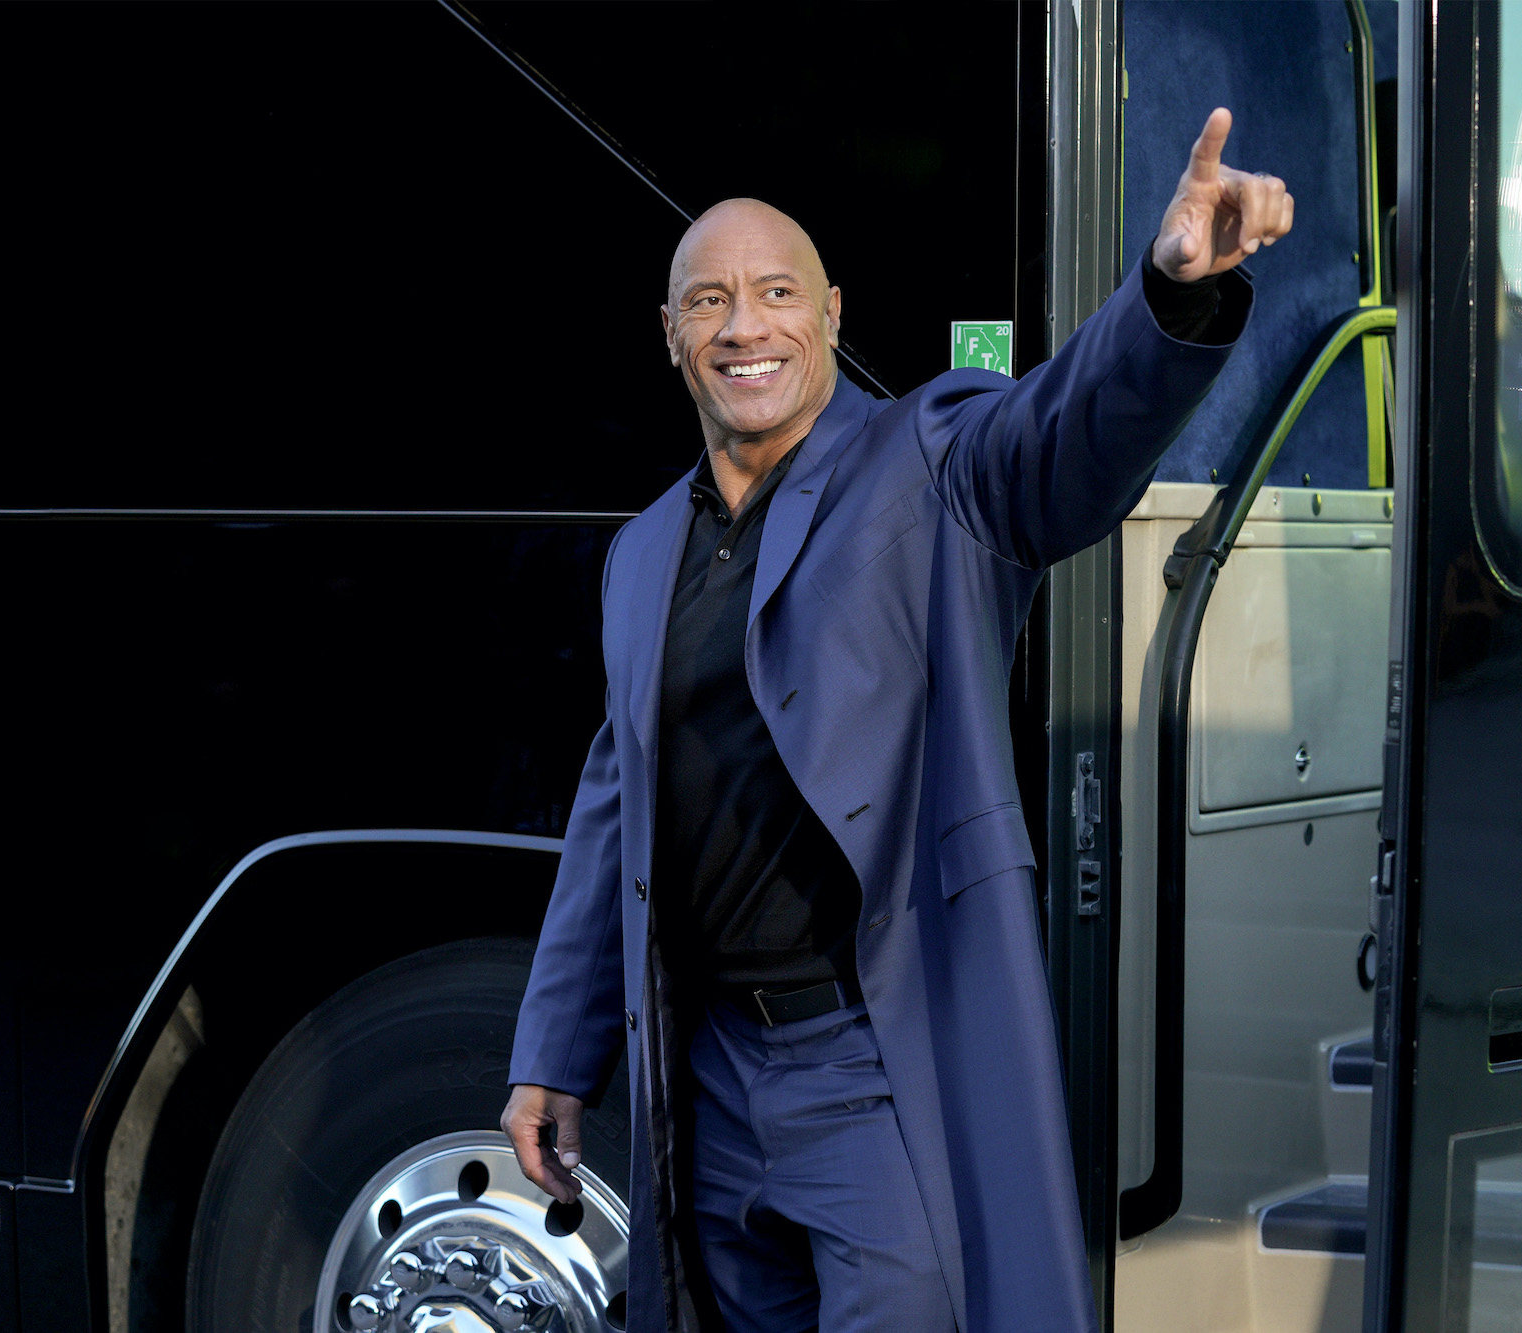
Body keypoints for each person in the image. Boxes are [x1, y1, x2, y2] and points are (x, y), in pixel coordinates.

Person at [504, 107, 1291, 1333]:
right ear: (669, 338)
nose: (744, 325)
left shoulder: (928, 460)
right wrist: (553, 1052)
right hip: (705, 1075)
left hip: (865, 1062)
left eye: (776, 292)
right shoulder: (642, 550)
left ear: (830, 315)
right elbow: (616, 801)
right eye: (707, 302)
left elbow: (1060, 437)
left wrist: (1165, 296)